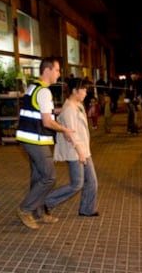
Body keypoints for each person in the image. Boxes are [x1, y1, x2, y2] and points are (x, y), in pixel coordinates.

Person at [15, 57, 74, 230]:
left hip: (29, 139)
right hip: (36, 140)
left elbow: (41, 111)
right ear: (47, 70)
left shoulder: (34, 87)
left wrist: (59, 110)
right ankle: (25, 209)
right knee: (49, 177)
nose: (59, 73)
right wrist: (65, 130)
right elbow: (47, 122)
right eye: (57, 70)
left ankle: (38, 212)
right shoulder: (44, 91)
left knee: (38, 177)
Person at [44, 78, 99, 217]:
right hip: (75, 151)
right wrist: (81, 153)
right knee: (77, 184)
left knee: (91, 181)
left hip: (84, 150)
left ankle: (87, 209)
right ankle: (45, 201)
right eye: (84, 90)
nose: (86, 92)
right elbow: (71, 135)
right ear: (75, 91)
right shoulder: (69, 109)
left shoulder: (78, 105)